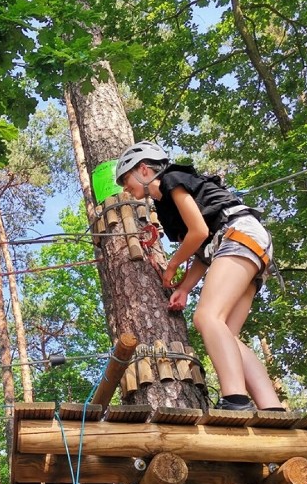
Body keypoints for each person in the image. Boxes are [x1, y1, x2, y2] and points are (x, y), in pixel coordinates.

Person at [115, 141, 284, 412]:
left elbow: (199, 232)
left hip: (238, 234)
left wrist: (172, 266)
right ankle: (272, 408)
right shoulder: (166, 210)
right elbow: (204, 251)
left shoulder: (172, 180)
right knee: (226, 332)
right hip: (244, 243)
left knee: (206, 317)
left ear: (144, 170)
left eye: (126, 179)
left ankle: (236, 400)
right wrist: (184, 289)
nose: (125, 188)